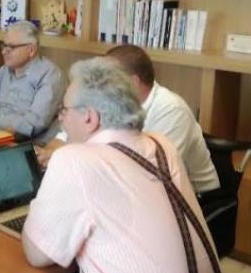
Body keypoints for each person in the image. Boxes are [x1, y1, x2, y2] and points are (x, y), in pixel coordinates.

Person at [22, 58, 226, 273]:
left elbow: (37, 255)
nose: (62, 119)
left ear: (89, 117)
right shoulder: (161, 145)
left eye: (64, 110)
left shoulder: (74, 160)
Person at [36, 45, 219, 194]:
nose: (99, 85)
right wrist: (49, 154)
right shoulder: (108, 102)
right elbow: (63, 136)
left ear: (132, 82)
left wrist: (68, 157)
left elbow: (148, 174)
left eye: (108, 79)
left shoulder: (171, 109)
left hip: (194, 198)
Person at [0, 21, 65, 143]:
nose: (4, 52)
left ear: (31, 50)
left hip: (26, 145)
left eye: (11, 47)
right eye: (4, 46)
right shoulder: (4, 71)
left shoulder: (50, 75)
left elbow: (34, 123)